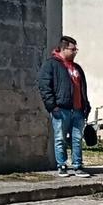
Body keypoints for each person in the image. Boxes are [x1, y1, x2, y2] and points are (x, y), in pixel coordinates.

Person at [37, 36, 91, 177]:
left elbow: (82, 88)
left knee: (77, 139)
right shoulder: (51, 65)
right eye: (73, 49)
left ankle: (78, 166)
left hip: (78, 110)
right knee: (60, 138)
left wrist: (86, 105)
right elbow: (44, 86)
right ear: (63, 48)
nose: (75, 52)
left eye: (76, 50)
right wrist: (52, 106)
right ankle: (62, 165)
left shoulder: (77, 68)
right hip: (61, 109)